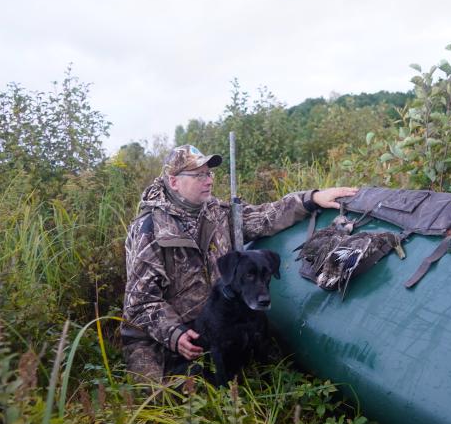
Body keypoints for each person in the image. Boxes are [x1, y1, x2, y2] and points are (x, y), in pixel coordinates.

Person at [122, 144, 357, 381]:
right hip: (163, 332)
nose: (209, 181)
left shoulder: (218, 212)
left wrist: (312, 198)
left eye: (209, 173)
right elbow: (140, 302)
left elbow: (266, 217)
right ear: (174, 182)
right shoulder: (149, 230)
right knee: (166, 400)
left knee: (266, 367)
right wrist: (174, 334)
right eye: (199, 175)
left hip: (217, 321)